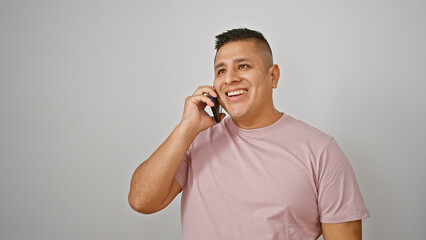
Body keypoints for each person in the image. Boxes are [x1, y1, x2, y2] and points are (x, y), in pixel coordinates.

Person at [128, 28, 370, 239]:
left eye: (243, 66)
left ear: (273, 75)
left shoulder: (321, 150)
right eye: (221, 71)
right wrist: (186, 128)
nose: (230, 78)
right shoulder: (195, 140)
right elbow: (141, 201)